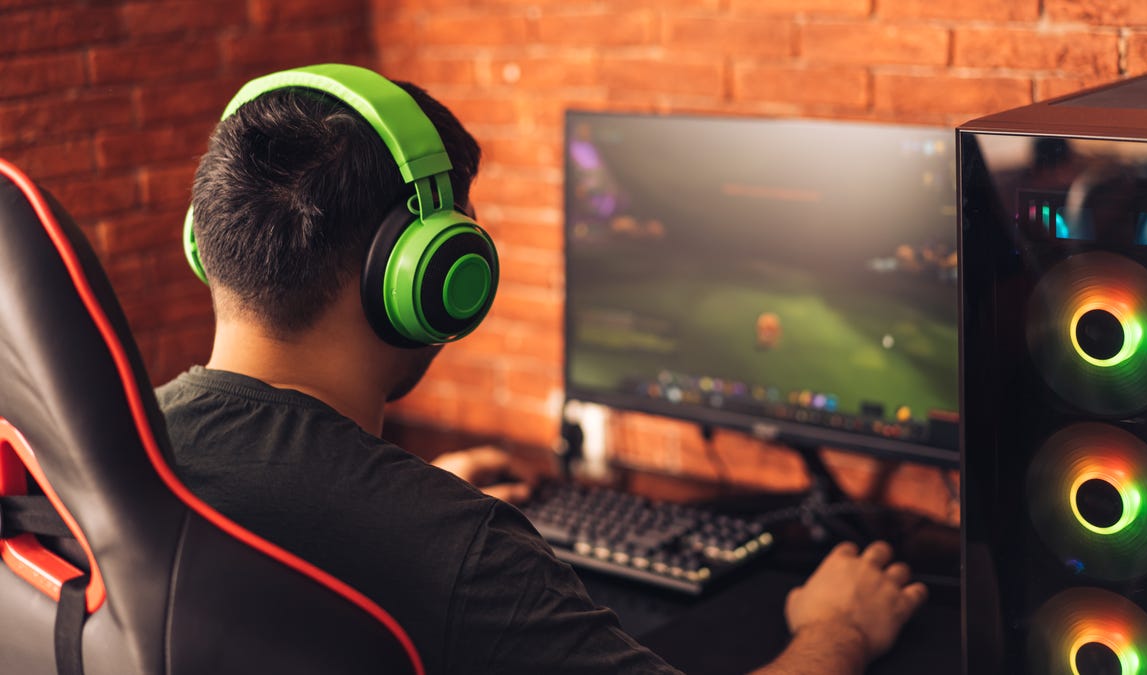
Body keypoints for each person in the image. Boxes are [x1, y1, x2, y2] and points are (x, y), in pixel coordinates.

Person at [158, 64, 926, 674]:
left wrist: (402, 496)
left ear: (209, 241)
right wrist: (840, 630)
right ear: (430, 278)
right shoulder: (460, 548)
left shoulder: (107, 450)